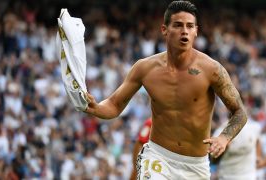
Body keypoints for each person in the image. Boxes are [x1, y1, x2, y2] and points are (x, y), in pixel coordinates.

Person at [85, 1, 247, 179]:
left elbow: (240, 111)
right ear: (164, 30)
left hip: (195, 165)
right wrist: (95, 107)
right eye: (178, 25)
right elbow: (114, 105)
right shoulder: (145, 68)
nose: (184, 31)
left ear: (196, 31)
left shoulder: (212, 70)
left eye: (189, 26)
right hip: (158, 157)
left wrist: (224, 138)